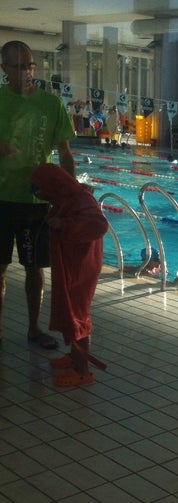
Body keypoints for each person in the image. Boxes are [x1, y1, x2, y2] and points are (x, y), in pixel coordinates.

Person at [0, 40, 76, 349]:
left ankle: (33, 329)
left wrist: (71, 197)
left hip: (37, 201)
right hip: (1, 199)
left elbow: (66, 153)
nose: (27, 72)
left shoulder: (51, 104)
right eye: (20, 66)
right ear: (5, 69)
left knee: (36, 268)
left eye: (30, 65)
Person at [30, 163, 108, 386]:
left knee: (77, 316)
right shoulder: (66, 198)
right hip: (72, 265)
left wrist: (64, 223)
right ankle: (74, 358)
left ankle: (83, 372)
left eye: (37, 189)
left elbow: (99, 225)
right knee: (69, 313)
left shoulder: (81, 199)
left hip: (81, 269)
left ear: (52, 185)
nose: (37, 195)